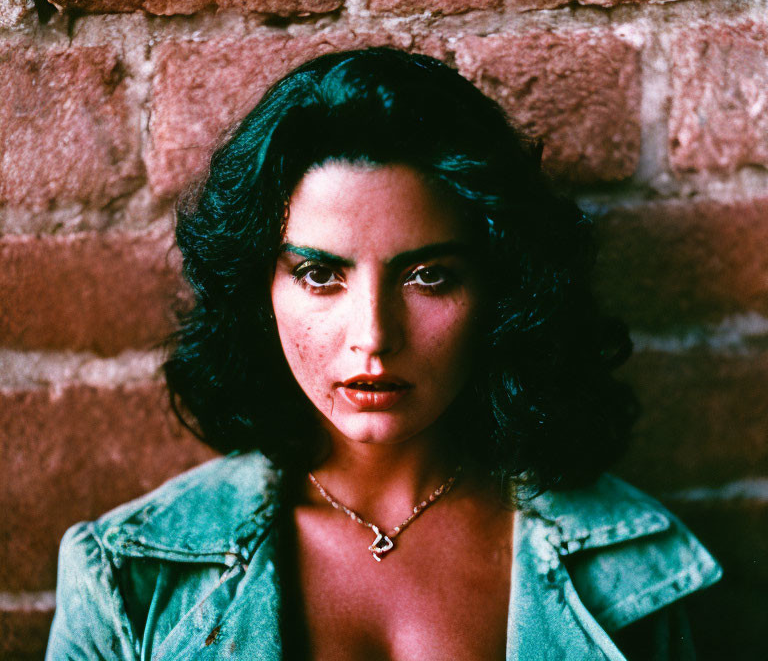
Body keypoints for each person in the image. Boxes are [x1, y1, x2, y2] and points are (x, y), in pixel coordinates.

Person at [46, 47, 720, 660]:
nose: (373, 335)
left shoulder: (638, 568)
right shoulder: (128, 578)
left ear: (499, 288)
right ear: (260, 289)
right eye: (319, 275)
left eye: (428, 276)